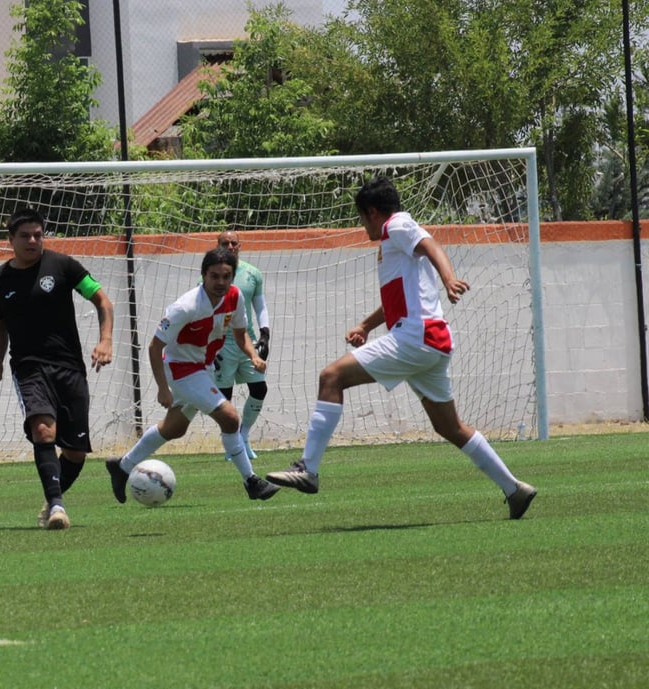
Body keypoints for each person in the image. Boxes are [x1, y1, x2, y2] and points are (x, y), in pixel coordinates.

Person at [266, 176, 537, 519]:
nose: (362, 225)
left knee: (331, 377)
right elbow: (400, 298)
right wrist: (366, 325)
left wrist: (448, 278)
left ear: (373, 212)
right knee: (449, 427)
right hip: (431, 343)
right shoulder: (392, 246)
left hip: (415, 338)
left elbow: (431, 244)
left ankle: (309, 468)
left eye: (361, 218)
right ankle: (515, 488)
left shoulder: (397, 225)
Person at [106, 247, 281, 502]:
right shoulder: (186, 306)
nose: (221, 282)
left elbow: (240, 333)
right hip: (181, 369)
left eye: (226, 276)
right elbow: (155, 346)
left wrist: (253, 356)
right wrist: (162, 388)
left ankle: (121, 466)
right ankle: (251, 481)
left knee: (174, 428)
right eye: (214, 276)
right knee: (230, 418)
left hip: (204, 368)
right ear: (203, 276)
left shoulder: (234, 297)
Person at [0, 208, 114, 530]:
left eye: (38, 235)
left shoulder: (63, 266)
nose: (33, 240)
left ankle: (51, 499)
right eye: (25, 235)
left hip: (70, 367)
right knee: (43, 430)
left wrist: (105, 340)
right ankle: (57, 505)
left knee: (75, 451)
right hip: (28, 367)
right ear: (11, 240)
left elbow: (102, 301)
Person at [213, 230, 271, 461]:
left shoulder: (252, 274)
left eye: (233, 243)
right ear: (217, 245)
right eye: (225, 243)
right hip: (221, 345)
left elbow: (260, 307)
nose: (230, 246)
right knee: (224, 399)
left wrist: (265, 334)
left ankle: (244, 436)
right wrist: (209, 347)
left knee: (259, 389)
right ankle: (231, 443)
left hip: (246, 341)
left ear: (240, 246)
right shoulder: (209, 277)